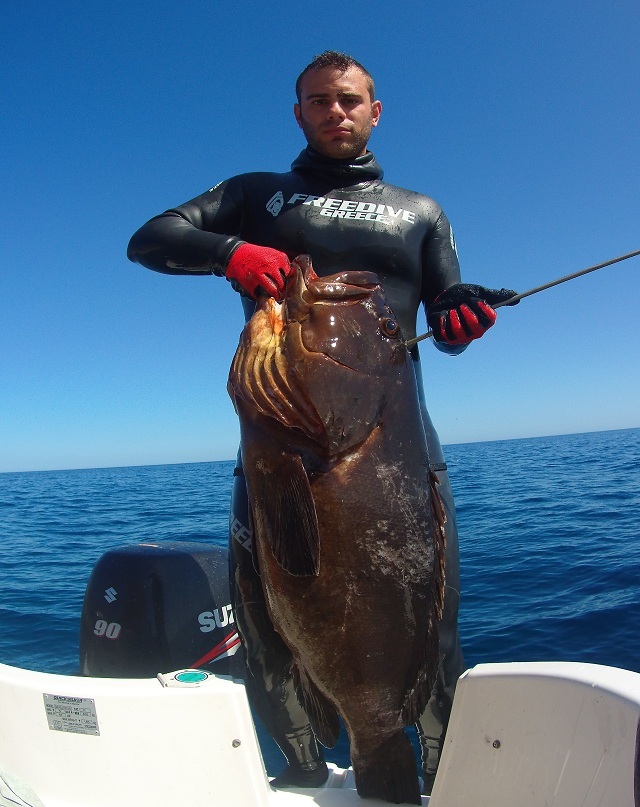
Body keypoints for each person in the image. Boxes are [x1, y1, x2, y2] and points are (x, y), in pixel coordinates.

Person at [127, 51, 515, 794]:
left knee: (430, 630)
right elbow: (150, 240)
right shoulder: (257, 193)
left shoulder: (420, 212)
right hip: (278, 453)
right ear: (298, 113)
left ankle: (438, 778)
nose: (335, 111)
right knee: (268, 622)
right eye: (318, 101)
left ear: (375, 111)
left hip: (399, 461)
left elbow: (448, 311)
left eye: (349, 99)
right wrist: (229, 249)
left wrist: (461, 313)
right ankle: (304, 780)